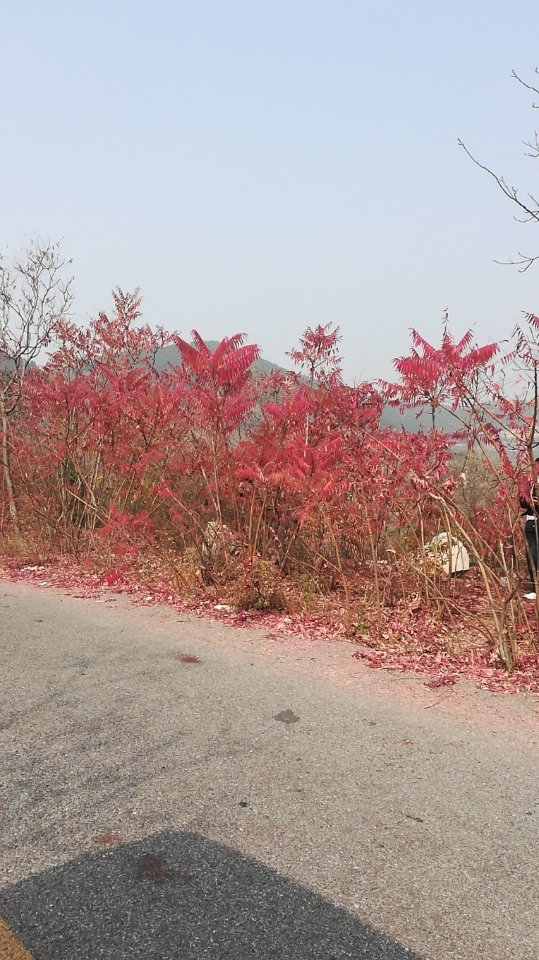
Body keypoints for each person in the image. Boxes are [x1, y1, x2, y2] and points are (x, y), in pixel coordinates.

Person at [519, 457, 539, 600]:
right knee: (531, 555)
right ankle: (534, 587)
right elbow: (522, 502)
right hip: (531, 523)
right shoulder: (530, 483)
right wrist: (529, 500)